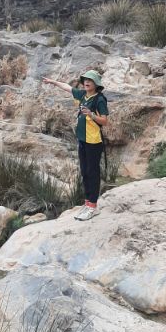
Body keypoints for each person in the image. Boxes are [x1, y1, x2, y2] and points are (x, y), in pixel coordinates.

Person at [42, 70, 108, 220]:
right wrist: (53, 82)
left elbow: (105, 121)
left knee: (93, 173)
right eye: (85, 80)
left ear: (96, 83)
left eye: (90, 80)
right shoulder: (82, 95)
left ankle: (93, 206)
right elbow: (67, 87)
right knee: (84, 172)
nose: (86, 82)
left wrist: (91, 115)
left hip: (94, 141)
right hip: (82, 140)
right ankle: (87, 203)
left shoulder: (99, 100)